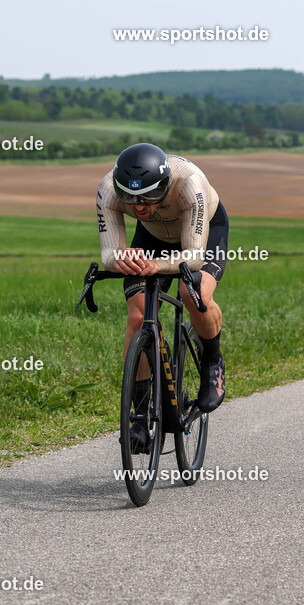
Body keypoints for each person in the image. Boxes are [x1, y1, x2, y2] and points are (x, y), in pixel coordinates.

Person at [96, 143, 228, 452]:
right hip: (152, 238)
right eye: (130, 197)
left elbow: (193, 258)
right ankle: (140, 415)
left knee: (193, 294)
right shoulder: (107, 189)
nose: (139, 206)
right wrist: (121, 258)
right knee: (139, 315)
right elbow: (108, 254)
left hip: (204, 233)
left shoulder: (189, 183)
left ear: (166, 185)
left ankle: (212, 361)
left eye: (149, 197)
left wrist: (158, 265)